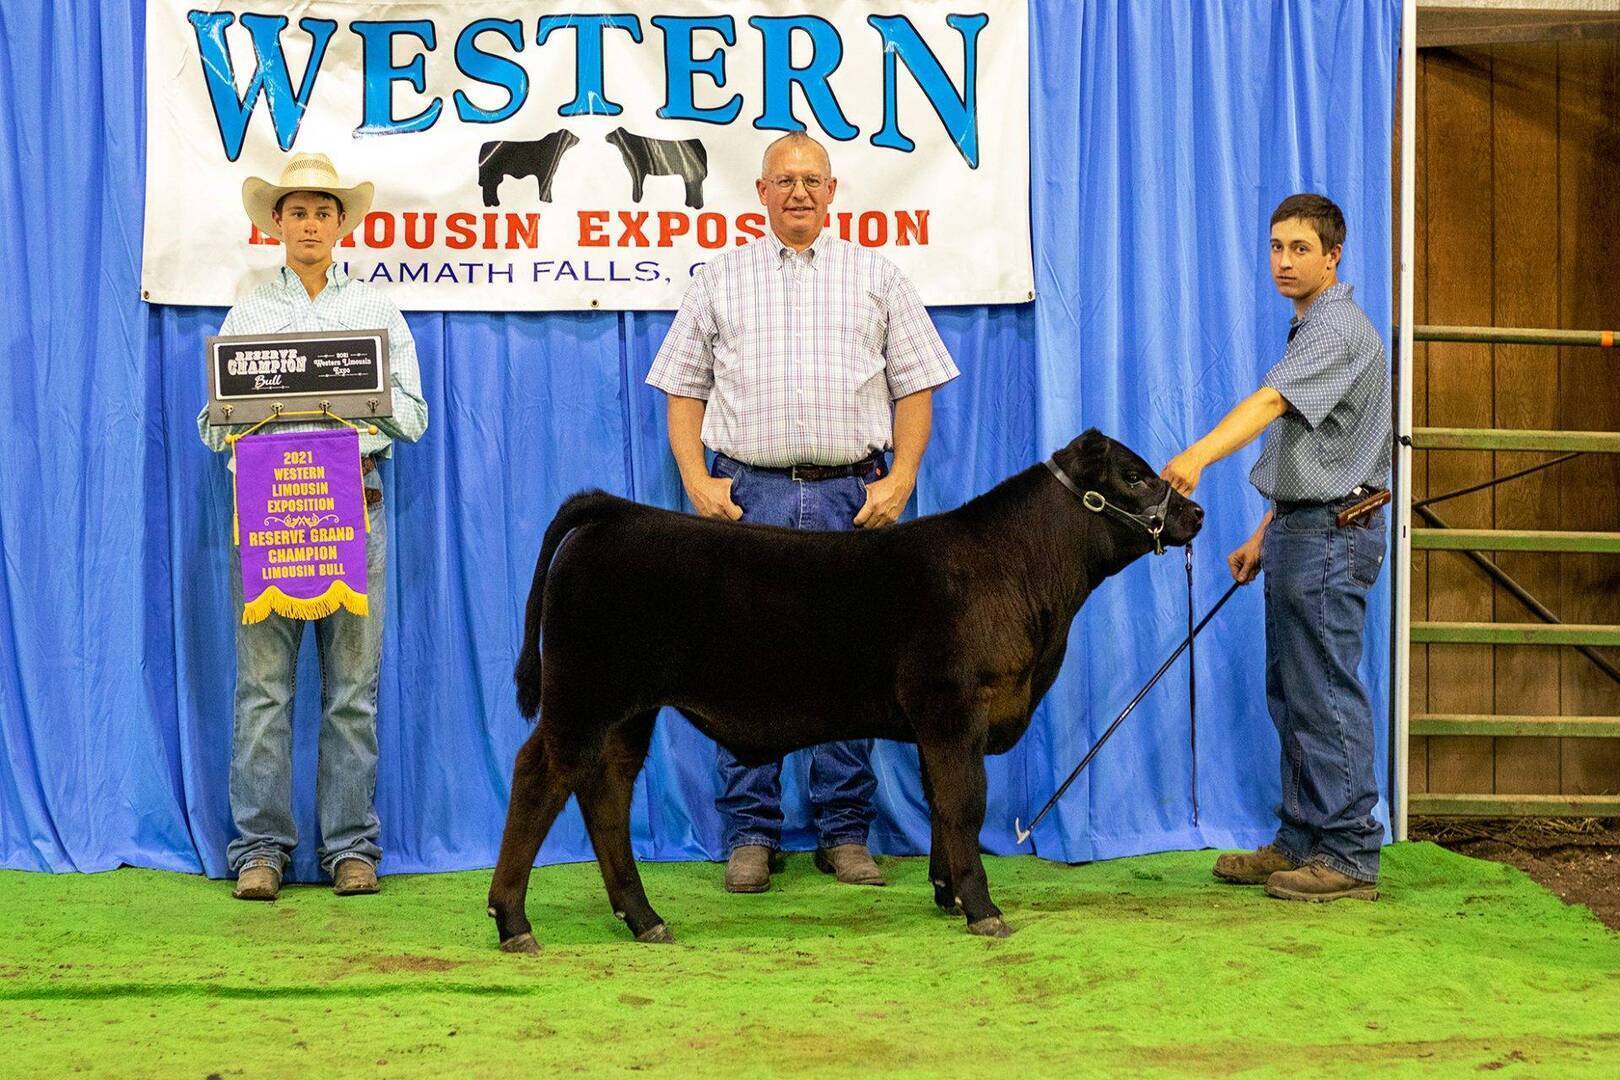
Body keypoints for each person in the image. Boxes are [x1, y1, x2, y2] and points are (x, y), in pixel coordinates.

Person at [646, 132, 959, 894]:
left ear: (832, 190)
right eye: (784, 180)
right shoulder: (720, 279)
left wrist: (901, 479)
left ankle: (844, 832)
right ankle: (751, 834)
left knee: (853, 667)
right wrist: (696, 481)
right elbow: (683, 388)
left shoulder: (877, 277)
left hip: (850, 498)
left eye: (811, 180)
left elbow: (915, 386)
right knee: (742, 665)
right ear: (760, 192)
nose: (798, 192)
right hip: (748, 496)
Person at [197, 153, 429, 901]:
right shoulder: (247, 315)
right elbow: (212, 427)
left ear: (340, 225)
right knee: (263, 689)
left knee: (352, 690)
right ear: (276, 223)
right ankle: (259, 850)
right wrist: (249, 417)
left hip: (356, 508)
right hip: (271, 516)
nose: (309, 224)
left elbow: (414, 417)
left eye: (322, 212)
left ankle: (351, 847)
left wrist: (351, 407)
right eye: (296, 211)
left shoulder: (377, 312)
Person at [1160, 193, 1391, 902]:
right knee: (1293, 693)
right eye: (1276, 247)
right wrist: (1266, 532)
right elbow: (1320, 449)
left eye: (1300, 248)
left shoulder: (1335, 329)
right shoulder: (1311, 326)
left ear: (1333, 256)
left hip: (1332, 535)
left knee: (1323, 692)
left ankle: (1349, 853)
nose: (1284, 261)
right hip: (1303, 529)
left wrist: (1197, 455)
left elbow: (1269, 406)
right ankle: (1300, 839)